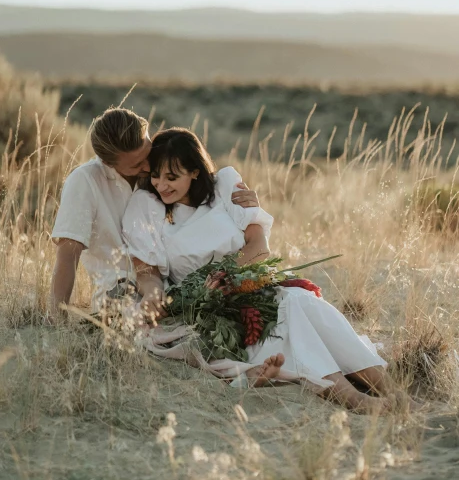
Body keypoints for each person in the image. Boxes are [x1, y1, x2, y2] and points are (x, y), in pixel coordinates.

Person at [122, 128, 408, 413]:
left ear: (196, 172)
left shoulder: (224, 187)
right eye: (155, 176)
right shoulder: (149, 207)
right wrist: (153, 297)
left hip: (251, 283)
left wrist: (228, 276)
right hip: (210, 304)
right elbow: (147, 271)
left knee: (301, 302)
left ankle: (393, 390)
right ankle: (354, 399)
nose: (161, 185)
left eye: (172, 177)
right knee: (287, 317)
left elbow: (259, 247)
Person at [49, 108, 260, 317]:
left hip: (172, 286)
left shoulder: (156, 173)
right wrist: (56, 319)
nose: (149, 167)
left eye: (147, 153)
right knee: (149, 326)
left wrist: (241, 205)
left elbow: (191, 178)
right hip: (124, 289)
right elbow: (68, 254)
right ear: (108, 163)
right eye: (136, 165)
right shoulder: (85, 181)